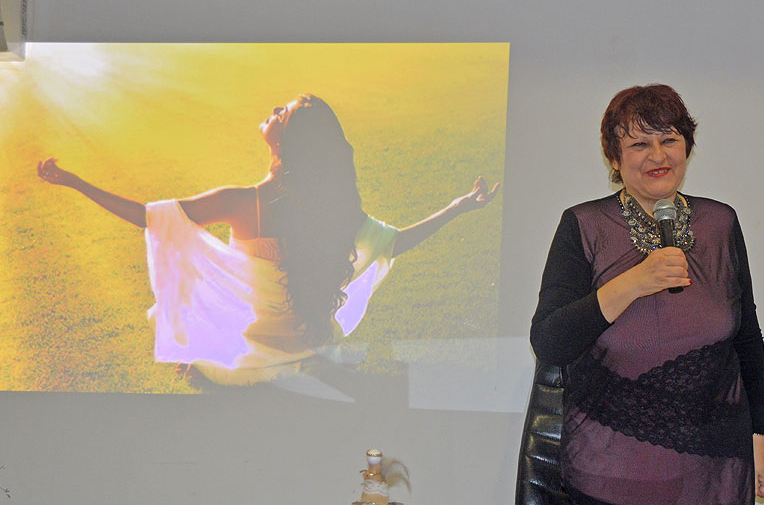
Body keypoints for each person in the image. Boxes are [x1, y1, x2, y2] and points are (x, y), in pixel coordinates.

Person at [37, 93, 498, 386]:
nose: (274, 111)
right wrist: (457, 208)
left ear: (286, 142)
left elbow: (149, 218)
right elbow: (394, 243)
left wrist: (75, 182)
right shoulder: (332, 208)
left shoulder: (242, 201)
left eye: (283, 112)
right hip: (314, 348)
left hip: (253, 356)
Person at [529, 84, 764, 505]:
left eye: (669, 140)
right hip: (611, 475)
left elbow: (747, 340)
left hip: (716, 476)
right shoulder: (584, 226)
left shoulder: (720, 223)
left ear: (687, 148)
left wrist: (760, 439)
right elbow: (550, 341)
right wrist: (634, 282)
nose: (657, 156)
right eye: (639, 144)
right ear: (614, 158)